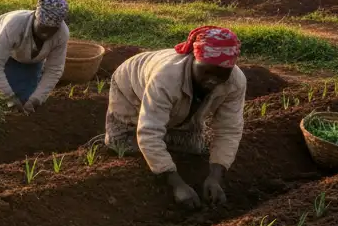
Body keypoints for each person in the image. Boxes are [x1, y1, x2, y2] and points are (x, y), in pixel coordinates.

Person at [94, 26, 246, 210]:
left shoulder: (235, 82)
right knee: (124, 146)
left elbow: (229, 129)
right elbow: (149, 131)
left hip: (184, 104)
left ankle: (171, 135)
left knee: (191, 150)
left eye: (222, 74)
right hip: (131, 88)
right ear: (193, 59)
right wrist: (176, 184)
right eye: (206, 71)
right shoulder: (167, 77)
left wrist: (215, 177)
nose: (212, 80)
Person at [0, 0, 70, 113]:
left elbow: (54, 69)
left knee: (25, 98)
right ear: (35, 18)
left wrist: (36, 99)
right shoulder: (14, 25)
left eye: (51, 30)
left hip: (32, 56)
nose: (46, 34)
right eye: (42, 28)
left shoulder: (61, 34)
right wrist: (9, 97)